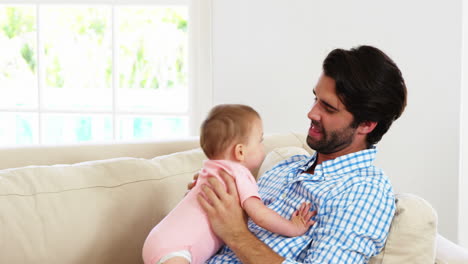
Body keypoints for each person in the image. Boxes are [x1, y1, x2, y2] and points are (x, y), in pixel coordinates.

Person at [196, 45, 408, 263]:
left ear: (366, 124)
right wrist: (214, 200)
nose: (312, 112)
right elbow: (230, 223)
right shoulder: (286, 167)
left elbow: (236, 231)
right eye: (315, 98)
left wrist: (235, 234)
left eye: (328, 108)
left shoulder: (364, 191)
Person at [142, 104, 317, 264]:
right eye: (260, 140)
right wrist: (293, 228)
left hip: (160, 238)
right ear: (240, 151)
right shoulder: (239, 175)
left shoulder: (208, 171)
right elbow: (260, 215)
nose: (263, 146)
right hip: (179, 248)